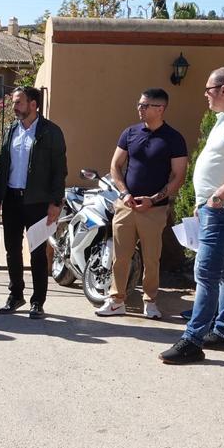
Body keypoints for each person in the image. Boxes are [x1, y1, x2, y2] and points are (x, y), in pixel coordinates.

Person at [160, 67, 224, 365]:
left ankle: (193, 339)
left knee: (205, 273)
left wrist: (218, 196)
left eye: (208, 89)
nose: (205, 95)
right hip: (222, 208)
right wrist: (207, 200)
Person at [95, 87, 187, 320]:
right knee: (121, 256)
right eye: (139, 104)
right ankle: (117, 300)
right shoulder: (130, 133)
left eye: (145, 106)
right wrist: (124, 193)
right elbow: (115, 166)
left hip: (154, 209)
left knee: (151, 258)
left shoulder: (174, 138)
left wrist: (154, 199)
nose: (140, 109)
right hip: (126, 205)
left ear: (160, 108)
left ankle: (151, 301)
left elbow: (179, 176)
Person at [0, 86, 67, 319]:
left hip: (39, 202)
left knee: (36, 252)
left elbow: (59, 170)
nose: (14, 107)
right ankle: (16, 295)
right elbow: (3, 165)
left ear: (33, 104)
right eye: (14, 103)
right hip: (13, 199)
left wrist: (56, 202)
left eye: (18, 103)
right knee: (12, 250)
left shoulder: (51, 132)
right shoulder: (11, 130)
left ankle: (38, 301)